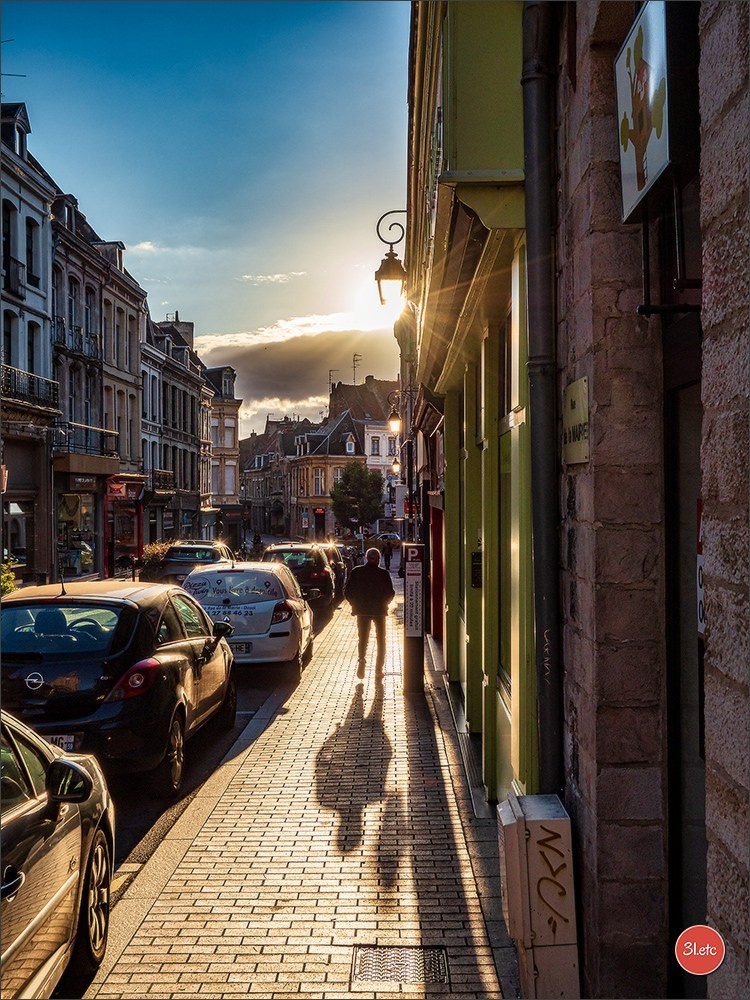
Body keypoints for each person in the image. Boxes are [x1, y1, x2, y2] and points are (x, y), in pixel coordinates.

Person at [344, 547, 395, 679]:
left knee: (363, 638)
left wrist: (354, 604)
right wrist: (385, 603)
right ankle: (379, 668)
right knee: (381, 640)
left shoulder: (357, 571)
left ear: (366, 558)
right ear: (378, 559)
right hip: (379, 611)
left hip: (362, 611)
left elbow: (348, 591)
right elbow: (391, 592)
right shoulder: (383, 574)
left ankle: (361, 659)